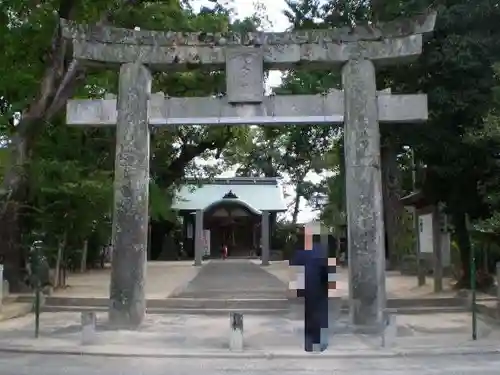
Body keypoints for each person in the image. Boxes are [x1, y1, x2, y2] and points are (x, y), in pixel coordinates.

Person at [291, 227, 329, 352]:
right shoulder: (320, 249)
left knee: (308, 315)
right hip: (319, 285)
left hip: (306, 286)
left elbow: (295, 269)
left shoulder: (300, 251)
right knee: (318, 315)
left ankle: (308, 344)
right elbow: (325, 269)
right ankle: (317, 343)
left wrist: (297, 288)